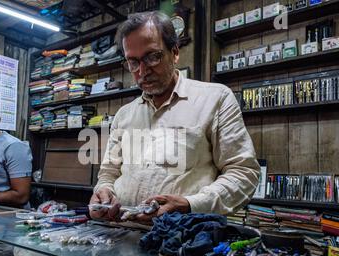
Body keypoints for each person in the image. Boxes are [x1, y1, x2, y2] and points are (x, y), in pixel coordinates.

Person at [89, 11, 260, 224]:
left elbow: (244, 173)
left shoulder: (215, 99)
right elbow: (108, 173)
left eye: (152, 57)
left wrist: (190, 205)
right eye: (132, 62)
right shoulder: (124, 115)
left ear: (175, 52)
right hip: (124, 235)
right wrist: (103, 193)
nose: (142, 71)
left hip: (183, 238)